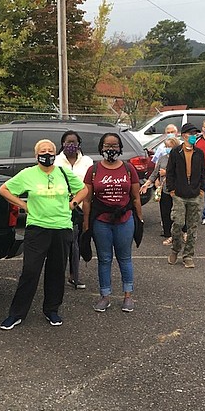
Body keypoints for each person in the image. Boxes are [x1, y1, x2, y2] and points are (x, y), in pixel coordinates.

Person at [0, 139, 87, 330]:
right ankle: (16, 314)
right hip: (37, 228)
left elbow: (84, 189)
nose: (47, 153)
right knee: (30, 272)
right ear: (36, 154)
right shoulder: (28, 174)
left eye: (50, 150)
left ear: (56, 153)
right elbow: (4, 190)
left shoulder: (63, 172)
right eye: (43, 151)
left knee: (56, 271)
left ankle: (52, 310)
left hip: (62, 228)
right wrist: (23, 205)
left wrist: (72, 205)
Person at [83, 133, 143, 313]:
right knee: (104, 259)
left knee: (125, 258)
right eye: (107, 146)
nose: (111, 149)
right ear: (101, 148)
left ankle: (128, 295)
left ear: (120, 148)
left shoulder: (128, 168)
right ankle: (105, 296)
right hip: (101, 221)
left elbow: (136, 197)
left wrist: (139, 219)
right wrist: (86, 224)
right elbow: (87, 200)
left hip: (125, 220)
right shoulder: (93, 170)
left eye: (115, 146)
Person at [54, 130, 94, 289]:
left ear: (79, 144)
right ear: (62, 144)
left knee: (77, 243)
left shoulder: (87, 161)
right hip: (60, 209)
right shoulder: (56, 161)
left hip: (81, 208)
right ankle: (57, 275)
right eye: (68, 142)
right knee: (61, 244)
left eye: (74, 142)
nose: (71, 145)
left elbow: (90, 185)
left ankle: (74, 275)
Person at [165, 122, 205, 268]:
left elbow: (203, 173)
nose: (193, 136)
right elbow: (170, 172)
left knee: (192, 226)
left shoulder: (199, 153)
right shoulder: (176, 152)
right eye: (190, 134)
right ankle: (175, 249)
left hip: (195, 194)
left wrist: (202, 189)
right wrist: (172, 189)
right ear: (184, 136)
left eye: (195, 134)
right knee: (178, 223)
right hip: (179, 194)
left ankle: (188, 255)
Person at [141, 135, 178, 244]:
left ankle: (177, 233)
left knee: (175, 212)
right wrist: (147, 183)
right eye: (166, 146)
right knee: (165, 211)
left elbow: (182, 173)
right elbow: (155, 172)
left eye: (170, 146)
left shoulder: (179, 159)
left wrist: (167, 172)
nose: (167, 148)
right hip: (164, 189)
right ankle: (167, 232)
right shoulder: (163, 158)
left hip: (176, 190)